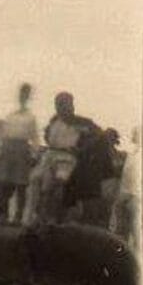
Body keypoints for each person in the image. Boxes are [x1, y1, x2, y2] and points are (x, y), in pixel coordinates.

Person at [33, 92, 98, 224]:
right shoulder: (54, 120)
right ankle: (43, 218)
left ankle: (59, 218)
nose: (61, 107)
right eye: (58, 104)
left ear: (71, 104)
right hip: (50, 155)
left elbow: (97, 135)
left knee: (60, 184)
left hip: (67, 157)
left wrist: (82, 148)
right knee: (41, 184)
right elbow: (47, 134)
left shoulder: (82, 122)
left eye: (64, 103)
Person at [0, 83, 40, 224]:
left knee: (21, 185)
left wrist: (34, 154)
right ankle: (3, 215)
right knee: (4, 183)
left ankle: (18, 217)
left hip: (22, 148)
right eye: (21, 94)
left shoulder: (31, 117)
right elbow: (2, 135)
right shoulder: (10, 116)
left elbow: (35, 137)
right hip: (7, 148)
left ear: (28, 97)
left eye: (26, 94)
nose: (22, 97)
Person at [113, 126, 141, 255]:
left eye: (137, 133)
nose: (133, 135)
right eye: (134, 133)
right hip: (124, 196)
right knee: (120, 234)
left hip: (136, 198)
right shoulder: (132, 153)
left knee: (137, 234)